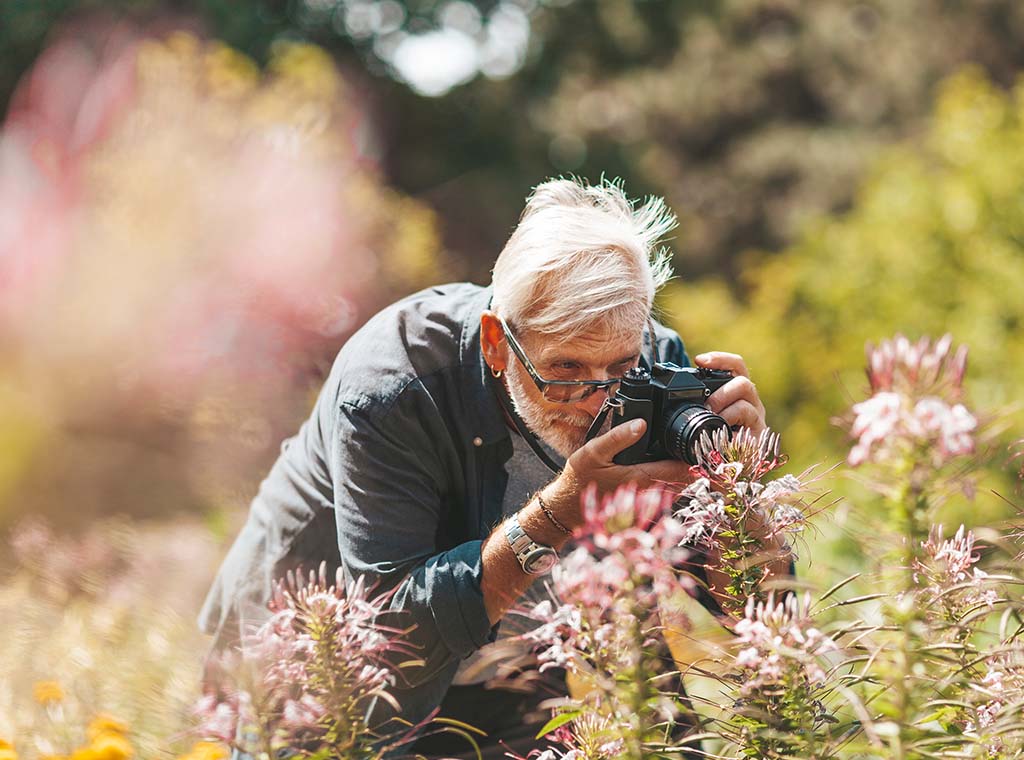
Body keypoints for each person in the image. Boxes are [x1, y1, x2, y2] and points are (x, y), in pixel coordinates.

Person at [198, 177, 776, 757]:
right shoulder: (395, 387)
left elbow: (752, 606)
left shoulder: (655, 372)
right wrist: (556, 515)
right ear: (497, 343)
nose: (597, 401)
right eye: (566, 369)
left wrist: (739, 492)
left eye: (620, 367)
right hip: (323, 665)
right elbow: (392, 632)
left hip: (514, 666)